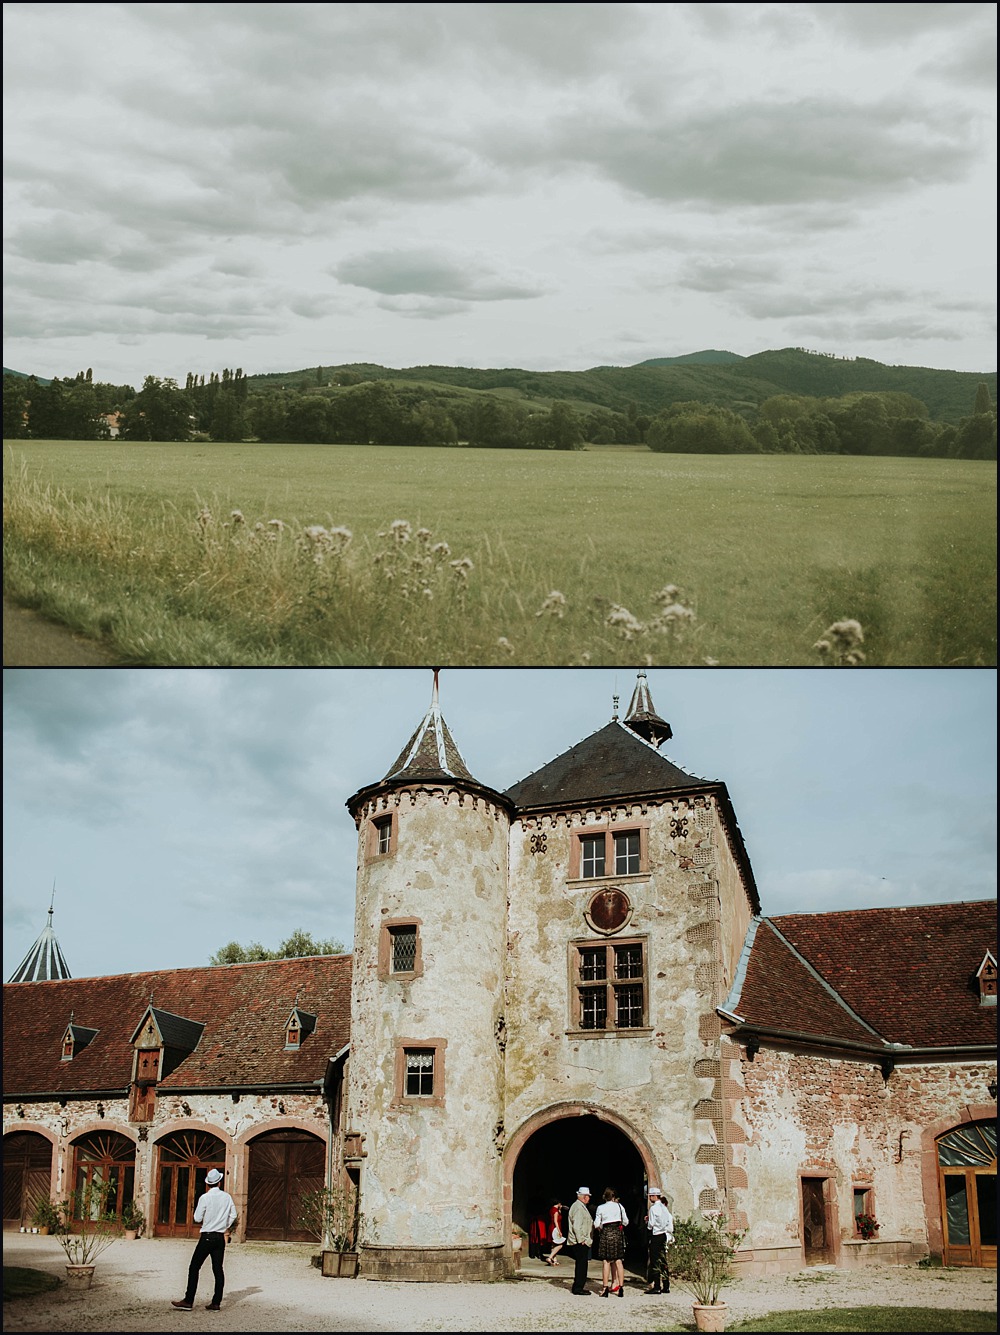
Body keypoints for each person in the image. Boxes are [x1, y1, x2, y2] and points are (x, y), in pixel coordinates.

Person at [171, 1168, 238, 1312]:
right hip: (220, 1237)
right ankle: (216, 1302)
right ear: (219, 1182)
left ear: (208, 1184)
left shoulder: (205, 1198)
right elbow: (233, 1215)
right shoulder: (227, 1197)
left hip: (207, 1236)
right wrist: (224, 1225)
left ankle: (189, 1300)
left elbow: (197, 1218)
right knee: (218, 1269)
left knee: (194, 1267)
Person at [593, 1186, 629, 1297]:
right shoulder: (619, 1206)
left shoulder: (600, 1208)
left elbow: (596, 1224)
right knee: (618, 1261)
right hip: (617, 1233)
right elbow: (626, 1222)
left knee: (606, 1261)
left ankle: (605, 1288)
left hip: (606, 1233)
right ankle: (621, 1288)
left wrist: (601, 1227)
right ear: (613, 1196)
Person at [644, 1185, 674, 1294]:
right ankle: (666, 1285)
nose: (649, 1198)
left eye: (650, 1196)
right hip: (663, 1234)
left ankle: (657, 1286)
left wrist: (647, 1223)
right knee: (663, 1260)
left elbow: (651, 1224)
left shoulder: (653, 1208)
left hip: (656, 1235)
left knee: (655, 1261)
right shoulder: (663, 1208)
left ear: (653, 1196)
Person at [566, 1186, 594, 1295]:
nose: (589, 1198)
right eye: (588, 1196)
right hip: (580, 1241)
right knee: (581, 1264)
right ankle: (578, 1287)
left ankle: (579, 1286)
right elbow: (577, 1225)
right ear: (584, 1197)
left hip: (581, 1240)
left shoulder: (579, 1206)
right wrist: (581, 1239)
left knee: (582, 1264)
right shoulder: (578, 1207)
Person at [542, 1198, 566, 1265]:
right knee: (560, 1245)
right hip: (555, 1228)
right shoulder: (555, 1211)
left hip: (552, 1227)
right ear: (558, 1203)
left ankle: (554, 1260)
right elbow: (556, 1221)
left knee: (553, 1244)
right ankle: (550, 1257)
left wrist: (560, 1209)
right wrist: (559, 1231)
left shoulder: (552, 1209)